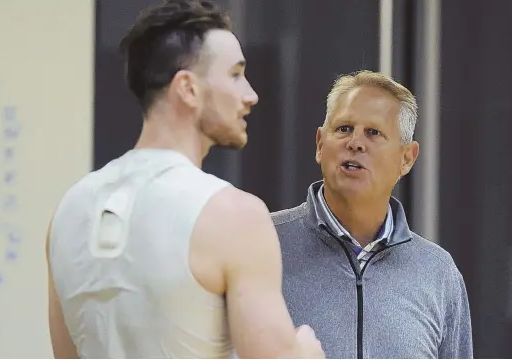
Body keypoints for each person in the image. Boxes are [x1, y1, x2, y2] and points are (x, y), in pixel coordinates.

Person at [45, 0, 325, 358]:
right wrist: (303, 351)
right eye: (236, 74)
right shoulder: (234, 215)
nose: (250, 95)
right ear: (188, 89)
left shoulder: (67, 213)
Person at [272, 70, 473, 359]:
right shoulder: (262, 244)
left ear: (406, 158)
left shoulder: (438, 273)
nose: (355, 142)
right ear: (319, 144)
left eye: (373, 133)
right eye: (343, 128)